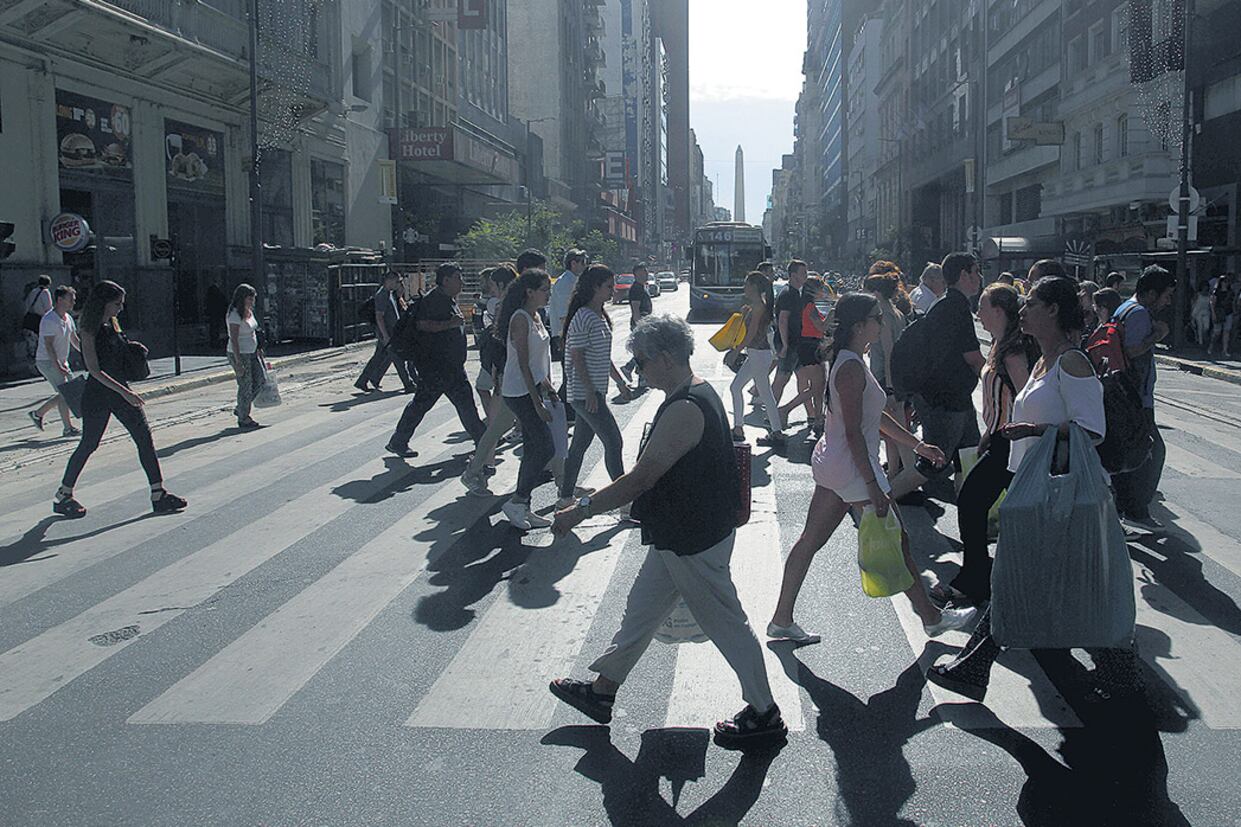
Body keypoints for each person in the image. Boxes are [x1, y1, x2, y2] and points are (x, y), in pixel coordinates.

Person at [549, 315, 789, 748]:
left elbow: (642, 477)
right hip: (679, 532)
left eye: (640, 362)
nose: (638, 371)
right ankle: (602, 691)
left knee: (728, 623)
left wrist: (579, 510)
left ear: (663, 357)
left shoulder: (685, 407)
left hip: (693, 537)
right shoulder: (694, 392)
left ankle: (765, 713)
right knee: (641, 609)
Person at [926, 276, 1133, 702]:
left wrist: (1034, 430)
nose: (1023, 309)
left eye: (1032, 302)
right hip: (1034, 489)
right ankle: (1119, 672)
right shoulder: (1043, 360)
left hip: (1060, 494)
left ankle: (975, 666)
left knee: (1017, 576)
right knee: (1054, 582)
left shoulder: (1072, 362)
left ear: (1053, 310)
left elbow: (1091, 429)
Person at [766, 293, 976, 646]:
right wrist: (873, 485)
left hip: (836, 467)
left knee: (813, 542)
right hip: (851, 469)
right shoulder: (850, 366)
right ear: (860, 325)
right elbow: (854, 431)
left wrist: (917, 445)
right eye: (877, 317)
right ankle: (932, 617)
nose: (883, 321)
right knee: (898, 542)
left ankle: (782, 619)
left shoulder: (851, 361)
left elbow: (873, 418)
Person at [930, 284, 1035, 604]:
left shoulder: (1014, 350)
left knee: (974, 504)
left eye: (984, 307)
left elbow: (1025, 397)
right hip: (999, 438)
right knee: (975, 506)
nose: (978, 313)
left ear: (1000, 311)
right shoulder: (1001, 344)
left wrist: (1007, 433)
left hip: (1012, 442)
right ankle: (981, 574)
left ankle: (977, 577)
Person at [53, 281, 186, 519]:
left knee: (144, 438)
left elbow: (114, 354)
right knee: (89, 443)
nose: (121, 308)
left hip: (119, 389)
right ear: (103, 303)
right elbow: (94, 369)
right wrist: (124, 392)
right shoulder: (89, 328)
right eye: (117, 303)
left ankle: (158, 493)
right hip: (99, 394)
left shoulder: (112, 323)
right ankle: (64, 495)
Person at [902, 252, 985, 502]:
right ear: (963, 275)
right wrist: (1000, 381)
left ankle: (973, 511)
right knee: (934, 462)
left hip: (951, 396)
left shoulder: (946, 302)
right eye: (976, 271)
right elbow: (972, 357)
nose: (980, 277)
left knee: (970, 453)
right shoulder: (956, 306)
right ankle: (881, 500)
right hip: (946, 399)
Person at [386, 263, 485, 458]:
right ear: (446, 280)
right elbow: (423, 325)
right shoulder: (434, 299)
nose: (461, 281)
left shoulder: (447, 298)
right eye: (458, 277)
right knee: (430, 403)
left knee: (458, 403)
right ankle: (483, 440)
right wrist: (451, 324)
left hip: (448, 365)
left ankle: (482, 439)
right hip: (437, 366)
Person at [557, 265, 636, 509]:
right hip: (585, 393)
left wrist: (620, 382)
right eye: (609, 286)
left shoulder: (599, 315)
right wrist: (590, 391)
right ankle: (624, 502)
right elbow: (577, 356)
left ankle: (565, 496)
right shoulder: (583, 316)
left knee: (579, 445)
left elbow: (603, 357)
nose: (613, 291)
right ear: (595, 287)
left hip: (592, 391)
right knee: (614, 441)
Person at [1111, 265, 1174, 532]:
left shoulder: (1125, 308)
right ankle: (1137, 510)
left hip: (1125, 395)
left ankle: (1127, 507)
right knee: (1152, 452)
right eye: (1166, 295)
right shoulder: (1138, 314)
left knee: (1133, 453)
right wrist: (1156, 335)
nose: (1168, 301)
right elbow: (1133, 351)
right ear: (1150, 293)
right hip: (1135, 398)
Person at [497, 269, 558, 529]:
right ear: (529, 291)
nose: (548, 294)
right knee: (545, 446)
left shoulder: (536, 316)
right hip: (519, 391)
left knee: (536, 448)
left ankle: (523, 505)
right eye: (544, 289)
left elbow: (536, 363)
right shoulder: (520, 319)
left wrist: (548, 386)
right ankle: (518, 500)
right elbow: (523, 364)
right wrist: (537, 402)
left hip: (533, 387)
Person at [461, 265, 519, 496]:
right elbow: (503, 343)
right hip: (508, 374)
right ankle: (480, 468)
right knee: (497, 426)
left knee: (499, 427)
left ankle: (481, 467)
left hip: (510, 374)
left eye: (493, 285)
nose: (490, 289)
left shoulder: (508, 306)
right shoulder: (505, 306)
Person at [863, 271, 918, 498]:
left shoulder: (883, 314)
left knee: (895, 432)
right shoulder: (896, 312)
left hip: (886, 378)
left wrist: (890, 386)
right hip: (895, 377)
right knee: (893, 432)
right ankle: (895, 474)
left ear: (876, 292)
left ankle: (910, 477)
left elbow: (888, 352)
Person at [728, 271, 787, 446]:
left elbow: (752, 332)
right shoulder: (757, 306)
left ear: (753, 287)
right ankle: (741, 428)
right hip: (757, 354)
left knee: (762, 393)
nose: (744, 288)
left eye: (746, 284)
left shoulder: (759, 307)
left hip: (759, 355)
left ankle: (774, 432)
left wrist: (736, 351)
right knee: (738, 387)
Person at [778, 275, 830, 436]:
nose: (823, 291)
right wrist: (833, 315)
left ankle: (818, 419)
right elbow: (821, 326)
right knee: (817, 386)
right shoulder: (809, 306)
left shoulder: (808, 305)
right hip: (809, 346)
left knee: (819, 385)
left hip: (813, 345)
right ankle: (786, 409)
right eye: (821, 288)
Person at [28, 285, 82, 437]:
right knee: (67, 393)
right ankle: (63, 426)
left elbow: (74, 340)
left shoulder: (68, 318)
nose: (73, 303)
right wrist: (57, 365)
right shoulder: (49, 319)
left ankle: (41, 415)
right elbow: (49, 345)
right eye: (70, 299)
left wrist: (87, 354)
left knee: (69, 392)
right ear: (60, 300)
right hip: (47, 361)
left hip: (61, 362)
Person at [355, 270, 416, 394]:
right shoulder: (382, 295)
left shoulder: (389, 294)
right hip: (388, 334)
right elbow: (379, 316)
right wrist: (385, 335)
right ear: (389, 281)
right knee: (399, 359)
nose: (398, 283)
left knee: (378, 358)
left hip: (390, 333)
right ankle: (408, 384)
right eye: (397, 281)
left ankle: (363, 381)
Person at [226, 283, 266, 430]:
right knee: (246, 385)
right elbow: (234, 339)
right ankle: (244, 417)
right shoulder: (234, 315)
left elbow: (253, 331)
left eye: (253, 299)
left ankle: (241, 407)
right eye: (249, 298)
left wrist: (258, 349)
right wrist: (238, 361)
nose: (252, 302)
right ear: (242, 298)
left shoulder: (249, 311)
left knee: (261, 380)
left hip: (252, 351)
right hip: (240, 353)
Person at [771, 260, 809, 409]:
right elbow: (782, 320)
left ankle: (812, 415)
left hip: (797, 344)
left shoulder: (796, 293)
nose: (806, 276)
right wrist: (785, 345)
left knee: (804, 379)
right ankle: (772, 414)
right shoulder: (787, 294)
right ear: (793, 276)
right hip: (789, 344)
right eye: (803, 273)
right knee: (781, 380)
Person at [619, 263, 654, 385]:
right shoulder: (636, 289)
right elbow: (635, 309)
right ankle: (633, 371)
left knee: (643, 350)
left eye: (646, 271)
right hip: (639, 323)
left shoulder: (642, 286)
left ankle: (636, 373)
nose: (645, 274)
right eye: (642, 272)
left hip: (644, 322)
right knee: (643, 351)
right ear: (636, 275)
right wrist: (640, 326)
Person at [22, 275, 54, 364]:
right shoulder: (45, 292)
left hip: (28, 321)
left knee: (31, 347)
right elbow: (48, 309)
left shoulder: (32, 292)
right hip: (39, 322)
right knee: (42, 346)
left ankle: (31, 366)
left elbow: (27, 306)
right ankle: (41, 366)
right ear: (48, 284)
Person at [1208, 273, 1235, 358]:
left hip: (1228, 312)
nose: (1226, 283)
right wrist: (1213, 314)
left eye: (1227, 282)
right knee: (1217, 332)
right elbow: (1212, 303)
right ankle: (1211, 346)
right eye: (1224, 281)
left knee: (1226, 331)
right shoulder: (1216, 292)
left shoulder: (1231, 292)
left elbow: (1232, 302)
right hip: (1219, 312)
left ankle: (1225, 350)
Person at [205, 283, 229, 351]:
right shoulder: (218, 295)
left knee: (214, 329)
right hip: (217, 314)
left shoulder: (211, 296)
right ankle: (216, 342)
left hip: (215, 314)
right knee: (216, 329)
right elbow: (224, 303)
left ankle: (215, 342)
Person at [1191, 282, 1213, 348]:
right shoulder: (1198, 294)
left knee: (1206, 327)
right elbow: (1193, 302)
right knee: (1199, 326)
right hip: (1198, 312)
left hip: (1206, 311)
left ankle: (1203, 338)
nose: (1205, 288)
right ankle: (1200, 342)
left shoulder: (1209, 295)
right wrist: (1192, 313)